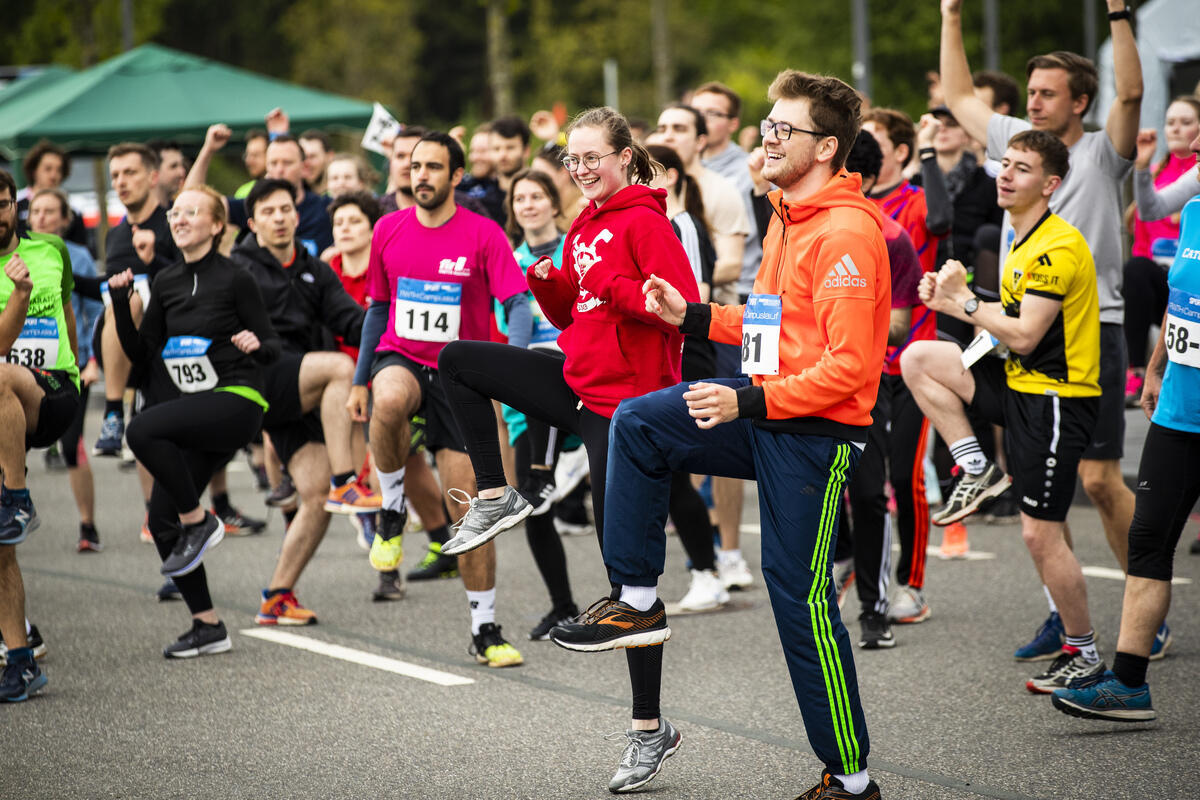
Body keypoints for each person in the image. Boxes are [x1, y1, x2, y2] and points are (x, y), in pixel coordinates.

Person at [552, 72, 887, 799]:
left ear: (827, 148)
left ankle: (852, 782)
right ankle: (636, 600)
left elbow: (851, 368)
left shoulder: (847, 232)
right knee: (640, 421)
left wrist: (749, 403)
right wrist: (694, 318)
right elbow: (772, 327)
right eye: (765, 126)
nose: (765, 139)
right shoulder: (790, 216)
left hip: (815, 435)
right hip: (770, 410)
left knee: (800, 604)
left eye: (781, 130)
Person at [435, 108, 700, 790]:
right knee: (458, 360)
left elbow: (681, 308)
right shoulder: (585, 218)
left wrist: (606, 288)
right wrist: (552, 283)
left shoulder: (646, 221)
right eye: (572, 158)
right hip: (579, 385)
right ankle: (494, 495)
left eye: (592, 157)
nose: (581, 169)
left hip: (631, 410)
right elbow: (570, 315)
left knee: (628, 583)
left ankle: (650, 730)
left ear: (623, 156)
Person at [940, 0, 1145, 662]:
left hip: (1095, 327)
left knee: (1099, 482)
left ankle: (1149, 602)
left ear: (1081, 101)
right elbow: (959, 94)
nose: (1032, 103)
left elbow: (1134, 89)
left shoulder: (1102, 153)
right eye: (1028, 92)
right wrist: (950, 15)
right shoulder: (1013, 148)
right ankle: (1066, 617)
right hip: (1022, 326)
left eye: (1048, 93)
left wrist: (1118, 12)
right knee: (1040, 503)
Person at [902, 130, 1107, 695]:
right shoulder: (1019, 235)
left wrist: (963, 300)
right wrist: (954, 299)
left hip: (1056, 399)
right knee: (920, 358)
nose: (1007, 174)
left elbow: (1022, 335)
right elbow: (1001, 325)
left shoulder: (1057, 246)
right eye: (1005, 163)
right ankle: (975, 469)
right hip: (1020, 384)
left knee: (1040, 536)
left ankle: (1085, 654)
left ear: (1051, 184)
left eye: (1022, 168)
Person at [347, 130, 532, 667]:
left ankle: (485, 627)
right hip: (401, 359)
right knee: (387, 400)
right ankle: (390, 508)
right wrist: (361, 376)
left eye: (432, 167)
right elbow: (378, 310)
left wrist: (510, 367)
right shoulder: (388, 228)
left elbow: (517, 303)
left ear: (455, 176)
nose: (420, 175)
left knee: (470, 508)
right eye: (413, 165)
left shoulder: (483, 233)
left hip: (461, 376)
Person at [1051, 126, 1200, 722]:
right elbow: (1179, 299)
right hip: (1181, 411)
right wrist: (1159, 362)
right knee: (1148, 539)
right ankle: (1129, 684)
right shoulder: (1193, 212)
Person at [109, 184, 279, 656]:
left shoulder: (236, 277)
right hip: (196, 410)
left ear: (217, 224)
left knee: (141, 428)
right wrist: (123, 306)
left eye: (191, 212)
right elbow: (142, 358)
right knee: (160, 518)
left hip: (238, 399)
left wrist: (254, 346)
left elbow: (272, 346)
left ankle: (200, 520)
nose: (179, 219)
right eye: (175, 213)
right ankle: (207, 625)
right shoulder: (165, 282)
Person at [229, 179, 378, 625]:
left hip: (300, 389)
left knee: (313, 498)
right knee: (337, 366)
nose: (279, 217)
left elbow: (349, 320)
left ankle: (277, 596)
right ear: (253, 223)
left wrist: (387, 328)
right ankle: (347, 478)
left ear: (297, 215)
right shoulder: (239, 268)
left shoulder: (315, 266)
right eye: (268, 212)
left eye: (285, 210)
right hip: (260, 378)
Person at [831, 131, 926, 649]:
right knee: (807, 490)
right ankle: (830, 575)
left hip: (867, 384)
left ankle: (874, 609)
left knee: (868, 494)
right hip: (800, 383)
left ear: (860, 181)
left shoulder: (889, 237)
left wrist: (842, 312)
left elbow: (898, 325)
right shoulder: (791, 226)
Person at [0, 169, 82, 701]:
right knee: (0, 548)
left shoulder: (51, 247)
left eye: (2, 202)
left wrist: (85, 365)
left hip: (50, 393)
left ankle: (17, 496)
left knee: (1, 373)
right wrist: (21, 295)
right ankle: (22, 659)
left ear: (14, 204)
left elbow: (69, 310)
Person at [644, 143, 736, 613]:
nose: (639, 182)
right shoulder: (652, 224)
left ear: (672, 178)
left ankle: (711, 571)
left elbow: (694, 298)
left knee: (676, 469)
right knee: (667, 471)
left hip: (687, 353)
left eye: (647, 173)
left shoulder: (683, 225)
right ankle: (704, 569)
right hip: (666, 352)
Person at [27, 188, 104, 553]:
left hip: (69, 365)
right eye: (36, 211)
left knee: (73, 447)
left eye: (49, 211)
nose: (41, 217)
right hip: (19, 368)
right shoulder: (15, 254)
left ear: (65, 219)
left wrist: (92, 362)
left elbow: (95, 312)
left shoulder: (77, 256)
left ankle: (88, 525)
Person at [93, 143, 181, 458]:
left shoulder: (171, 224)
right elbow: (104, 287)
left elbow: (187, 279)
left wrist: (155, 257)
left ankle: (114, 410)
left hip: (163, 341)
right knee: (121, 298)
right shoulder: (116, 234)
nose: (121, 182)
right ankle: (114, 413)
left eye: (130, 172)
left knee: (154, 449)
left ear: (152, 176)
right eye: (115, 175)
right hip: (117, 344)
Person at [1122, 97, 1200, 405]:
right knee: (1137, 269)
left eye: (1186, 122)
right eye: (1171, 122)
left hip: (1190, 289)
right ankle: (1138, 370)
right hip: (1169, 289)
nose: (1179, 131)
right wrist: (1142, 168)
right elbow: (1150, 210)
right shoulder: (1175, 174)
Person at [187, 125, 333, 257]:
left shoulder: (325, 208)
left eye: (287, 162)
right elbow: (190, 202)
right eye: (273, 163)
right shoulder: (251, 206)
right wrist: (208, 150)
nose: (280, 170)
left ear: (304, 166)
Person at [15, 140, 88, 248]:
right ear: (34, 171)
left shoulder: (73, 211)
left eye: (59, 170)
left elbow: (79, 251)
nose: (54, 175)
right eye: (48, 169)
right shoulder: (14, 204)